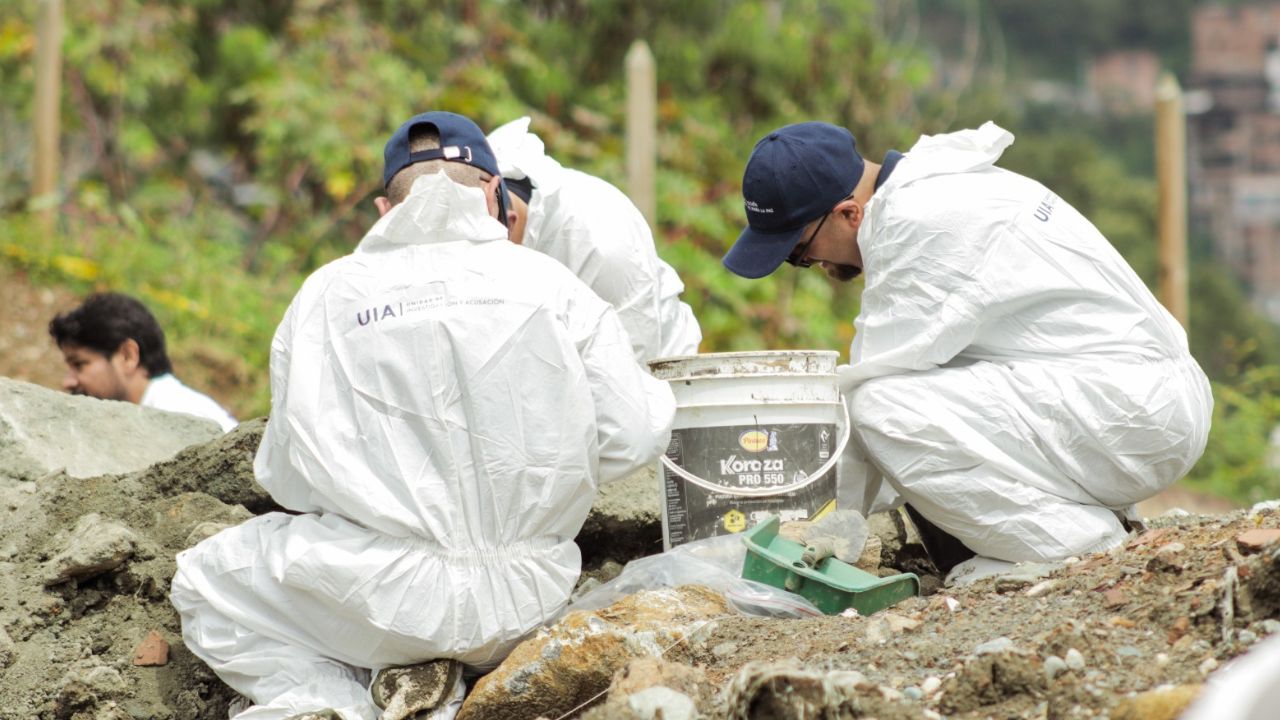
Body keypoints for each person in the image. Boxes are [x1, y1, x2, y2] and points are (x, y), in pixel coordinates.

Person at [170, 111, 676, 720]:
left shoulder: (327, 296)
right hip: (531, 594)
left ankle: (329, 702)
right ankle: (442, 678)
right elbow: (637, 435)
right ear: (493, 192)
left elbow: (288, 479)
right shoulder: (554, 284)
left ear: (386, 209)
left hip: (384, 602)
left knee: (206, 583)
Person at [722, 121, 1213, 577]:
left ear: (848, 213)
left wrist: (802, 538)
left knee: (883, 407)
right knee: (914, 393)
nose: (811, 264)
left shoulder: (917, 223)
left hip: (1136, 415)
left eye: (799, 253)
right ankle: (1075, 522)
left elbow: (863, 405)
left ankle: (1075, 543)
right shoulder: (939, 185)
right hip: (1133, 400)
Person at [486, 117, 702, 362]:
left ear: (509, 222)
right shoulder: (469, 177)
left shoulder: (602, 242)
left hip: (656, 369)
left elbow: (634, 371)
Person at [48, 292, 237, 432]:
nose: (68, 382)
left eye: (80, 364)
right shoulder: (143, 421)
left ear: (128, 356)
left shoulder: (183, 421)